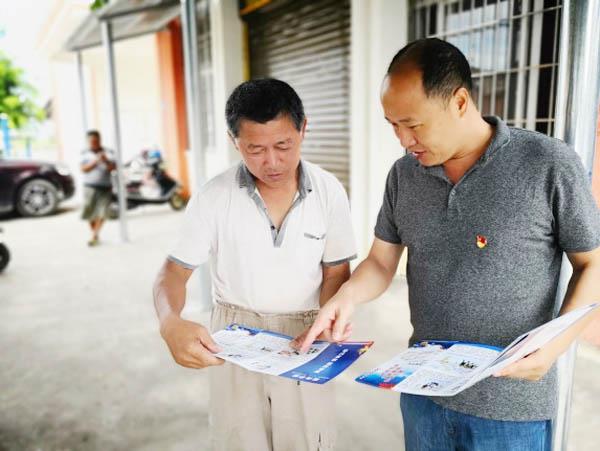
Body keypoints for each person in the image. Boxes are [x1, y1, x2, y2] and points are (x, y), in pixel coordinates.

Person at [295, 38, 600, 450]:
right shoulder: (404, 175)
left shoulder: (546, 163)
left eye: (413, 124)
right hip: (422, 392)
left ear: (459, 102)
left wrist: (554, 347)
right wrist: (345, 297)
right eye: (393, 125)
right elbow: (381, 262)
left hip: (509, 407)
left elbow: (592, 264)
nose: (403, 140)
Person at [153, 78, 356, 450]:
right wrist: (169, 321)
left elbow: (336, 271)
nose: (272, 162)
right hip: (235, 336)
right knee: (239, 439)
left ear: (303, 129)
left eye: (283, 145)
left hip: (306, 333)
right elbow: (173, 272)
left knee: (309, 439)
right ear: (235, 142)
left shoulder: (329, 191)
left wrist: (330, 317)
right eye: (255, 149)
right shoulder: (214, 196)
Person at [80, 130, 115, 246]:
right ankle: (95, 233)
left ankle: (94, 235)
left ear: (100, 140)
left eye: (96, 141)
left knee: (103, 212)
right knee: (89, 212)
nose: (94, 143)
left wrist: (105, 160)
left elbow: (113, 169)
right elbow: (83, 169)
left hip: (105, 186)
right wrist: (95, 162)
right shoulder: (84, 153)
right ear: (88, 141)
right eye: (92, 141)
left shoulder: (109, 152)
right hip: (89, 186)